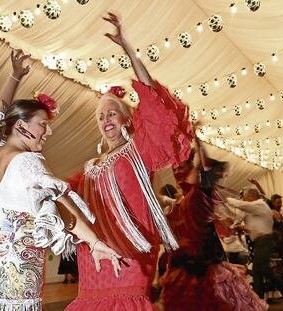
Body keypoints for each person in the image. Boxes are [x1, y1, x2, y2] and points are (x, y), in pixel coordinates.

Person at [0, 50, 121, 310]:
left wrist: (14, 76)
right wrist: (94, 242)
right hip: (15, 269)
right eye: (42, 124)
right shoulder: (28, 162)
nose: (48, 132)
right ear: (21, 126)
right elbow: (62, 205)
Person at [66, 13, 193, 310]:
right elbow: (63, 195)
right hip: (96, 249)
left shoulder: (140, 149)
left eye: (111, 113)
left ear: (126, 118)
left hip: (132, 245)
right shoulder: (90, 166)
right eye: (100, 116)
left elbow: (152, 99)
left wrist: (128, 48)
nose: (105, 119)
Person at [160, 136, 267, 311]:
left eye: (181, 167)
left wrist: (198, 144)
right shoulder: (179, 202)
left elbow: (210, 169)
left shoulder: (200, 192)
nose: (177, 171)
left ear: (192, 169)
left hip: (208, 266)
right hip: (185, 267)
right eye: (174, 168)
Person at [226, 188, 283, 307]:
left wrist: (226, 198)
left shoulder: (259, 204)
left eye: (244, 197)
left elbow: (240, 205)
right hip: (261, 242)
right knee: (257, 272)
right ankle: (258, 301)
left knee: (263, 269)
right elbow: (241, 216)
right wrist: (236, 225)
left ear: (250, 197)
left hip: (265, 241)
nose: (243, 199)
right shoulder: (254, 209)